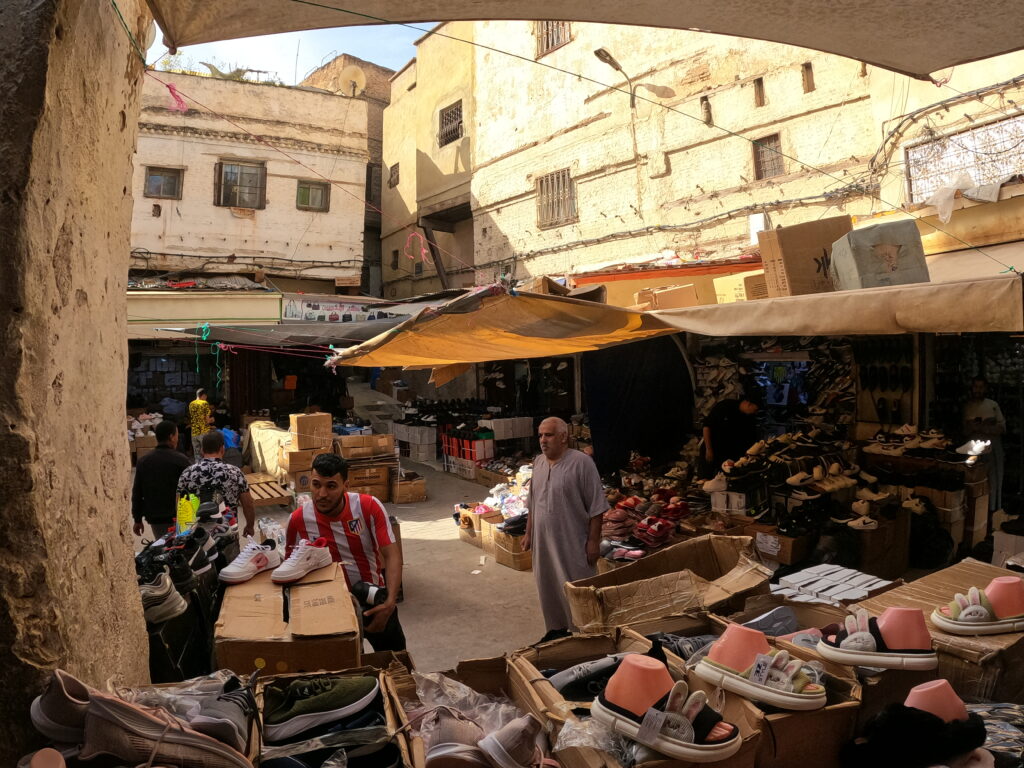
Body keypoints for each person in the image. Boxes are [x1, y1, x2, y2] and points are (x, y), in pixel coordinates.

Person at [285, 453, 406, 651]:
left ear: (346, 486)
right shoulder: (298, 520)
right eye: (316, 484)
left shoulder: (368, 507)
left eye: (331, 486)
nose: (322, 494)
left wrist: (390, 602)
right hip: (329, 610)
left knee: (398, 665)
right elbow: (290, 569)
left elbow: (392, 555)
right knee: (351, 674)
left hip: (374, 602)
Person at [523, 416, 607, 643]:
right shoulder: (539, 462)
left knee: (577, 588)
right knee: (547, 586)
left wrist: (592, 542)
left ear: (563, 437)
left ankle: (585, 635)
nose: (543, 440)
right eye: (540, 435)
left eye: (548, 435)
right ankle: (557, 632)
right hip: (543, 543)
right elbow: (533, 501)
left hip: (572, 541)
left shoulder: (582, 463)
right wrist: (529, 533)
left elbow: (597, 506)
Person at [177, 430, 255, 536]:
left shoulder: (187, 473)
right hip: (228, 533)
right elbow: (248, 504)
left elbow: (180, 505)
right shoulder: (235, 472)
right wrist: (250, 526)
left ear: (202, 450)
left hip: (198, 537)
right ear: (222, 449)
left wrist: (184, 534)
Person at [132, 420, 191, 539]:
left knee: (162, 547)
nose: (177, 439)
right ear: (171, 437)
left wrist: (137, 519)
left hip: (156, 518)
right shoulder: (182, 461)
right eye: (176, 435)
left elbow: (137, 492)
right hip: (179, 517)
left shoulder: (144, 461)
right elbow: (191, 490)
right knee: (181, 550)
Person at [964, 377, 1006, 513]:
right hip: (974, 447)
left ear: (986, 389)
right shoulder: (967, 406)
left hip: (992, 446)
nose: (978, 390)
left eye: (981, 387)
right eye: (976, 386)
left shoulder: (993, 405)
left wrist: (985, 428)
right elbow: (964, 429)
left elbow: (1002, 428)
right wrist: (973, 427)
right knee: (975, 477)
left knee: (993, 477)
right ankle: (975, 510)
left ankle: (992, 509)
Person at [701, 394, 762, 478]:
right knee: (705, 477)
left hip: (730, 454)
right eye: (755, 410)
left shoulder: (750, 418)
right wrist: (708, 449)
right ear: (748, 404)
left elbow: (751, 438)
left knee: (725, 481)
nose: (755, 413)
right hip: (712, 448)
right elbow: (707, 426)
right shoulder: (725, 406)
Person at [188, 388, 215, 462]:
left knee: (197, 455)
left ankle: (198, 469)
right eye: (206, 396)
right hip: (203, 432)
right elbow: (206, 421)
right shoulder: (204, 403)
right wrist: (212, 420)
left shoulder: (191, 404)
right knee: (206, 453)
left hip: (194, 432)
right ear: (203, 395)